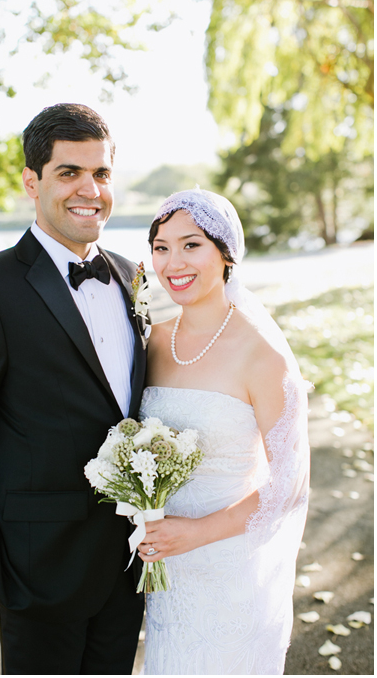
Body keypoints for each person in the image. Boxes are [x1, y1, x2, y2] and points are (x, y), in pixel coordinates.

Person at [0, 103, 149, 674]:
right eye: (68, 172)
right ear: (31, 181)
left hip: (130, 567)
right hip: (34, 574)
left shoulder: (132, 276)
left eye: (100, 173)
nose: (88, 189)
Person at [137, 188, 310, 674]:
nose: (174, 262)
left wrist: (196, 533)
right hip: (167, 572)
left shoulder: (263, 355)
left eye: (191, 245)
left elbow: (289, 485)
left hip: (229, 567)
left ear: (226, 253)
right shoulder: (153, 341)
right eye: (161, 246)